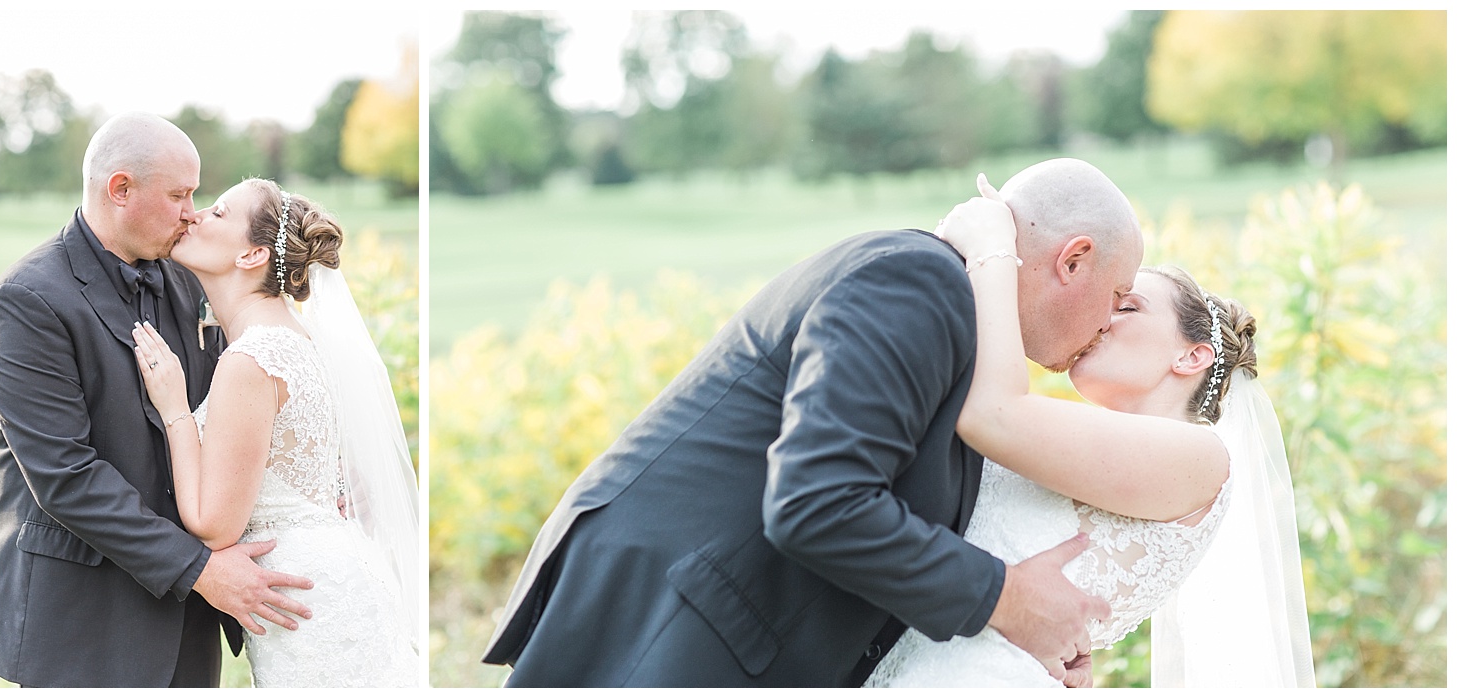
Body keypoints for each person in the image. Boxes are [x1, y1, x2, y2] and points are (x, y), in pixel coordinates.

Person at [482, 158, 1138, 687]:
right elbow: (817, 501)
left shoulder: (960, 326)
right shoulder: (919, 284)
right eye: (1116, 296)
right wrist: (1010, 601)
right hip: (667, 629)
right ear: (1073, 258)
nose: (1112, 322)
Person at [864, 179, 1313, 687]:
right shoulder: (1082, 444)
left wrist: (992, 249)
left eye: (1126, 306)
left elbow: (993, 414)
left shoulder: (1202, 457)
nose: (1101, 319)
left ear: (1192, 356)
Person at [0, 112, 315, 688]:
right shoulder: (26, 300)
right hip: (82, 618)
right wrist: (200, 569)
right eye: (180, 194)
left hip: (186, 621)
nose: (191, 211)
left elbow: (248, 408)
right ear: (121, 189)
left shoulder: (189, 278)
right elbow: (66, 477)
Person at [129, 178, 421, 687]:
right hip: (327, 578)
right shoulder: (299, 339)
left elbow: (214, 525)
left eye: (218, 213)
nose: (195, 216)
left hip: (304, 602)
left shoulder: (251, 359)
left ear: (252, 255)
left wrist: (175, 408)